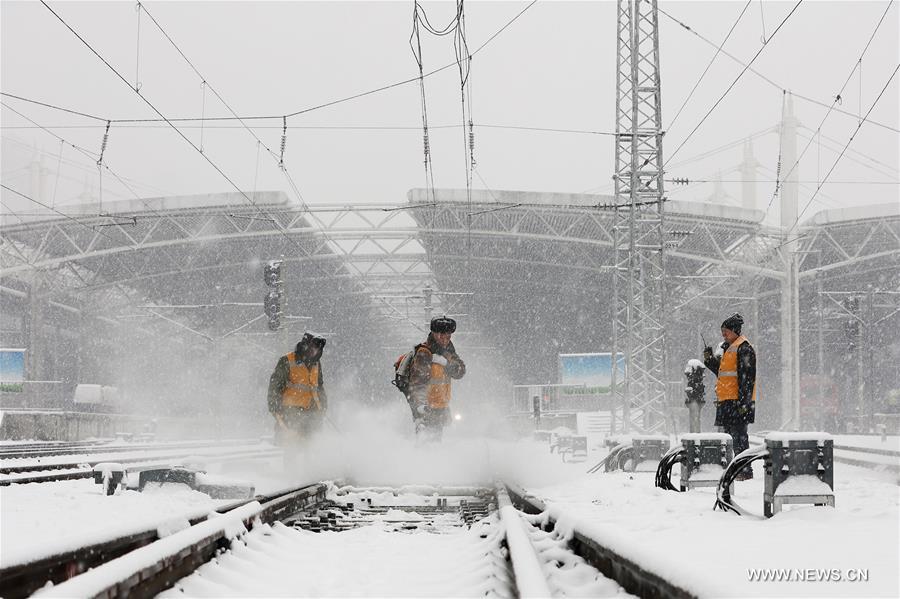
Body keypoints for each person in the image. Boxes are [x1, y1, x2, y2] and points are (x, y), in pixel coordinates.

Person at [703, 313, 757, 480]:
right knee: (729, 438)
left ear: (735, 331)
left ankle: (745, 471)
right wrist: (710, 360)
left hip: (738, 402)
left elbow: (747, 378)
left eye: (726, 331)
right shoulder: (729, 349)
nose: (723, 334)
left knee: (740, 437)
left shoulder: (744, 348)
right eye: (722, 331)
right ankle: (735, 470)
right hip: (727, 401)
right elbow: (724, 374)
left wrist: (744, 402)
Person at [407, 316, 466, 442]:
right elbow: (417, 384)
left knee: (435, 442)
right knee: (426, 444)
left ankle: (433, 460)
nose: (445, 340)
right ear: (433, 334)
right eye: (441, 336)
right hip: (427, 408)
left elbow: (460, 372)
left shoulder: (449, 352)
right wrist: (420, 408)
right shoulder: (424, 353)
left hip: (441, 406)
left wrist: (446, 363)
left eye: (448, 337)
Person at [267, 332, 328, 450]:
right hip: (291, 413)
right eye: (313, 347)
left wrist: (323, 407)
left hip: (312, 413)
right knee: (293, 448)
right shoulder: (287, 361)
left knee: (312, 447)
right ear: (305, 346)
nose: (315, 351)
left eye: (317, 348)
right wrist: (274, 408)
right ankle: (293, 467)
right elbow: (274, 387)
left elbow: (319, 387)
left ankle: (311, 468)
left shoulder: (316, 364)